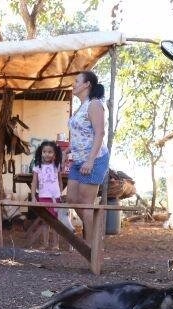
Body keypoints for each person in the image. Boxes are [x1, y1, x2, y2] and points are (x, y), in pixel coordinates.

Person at [66, 71, 109, 240]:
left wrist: (90, 161)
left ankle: (91, 245)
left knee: (85, 203)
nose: (73, 84)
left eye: (77, 81)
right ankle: (94, 233)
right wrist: (67, 150)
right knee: (71, 199)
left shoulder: (95, 104)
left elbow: (99, 133)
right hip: (78, 160)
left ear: (87, 84)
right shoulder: (80, 107)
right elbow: (82, 134)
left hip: (94, 159)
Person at [31, 140, 63, 249]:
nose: (47, 154)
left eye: (50, 152)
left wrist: (60, 194)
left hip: (55, 198)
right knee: (45, 221)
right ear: (41, 152)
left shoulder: (56, 166)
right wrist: (33, 197)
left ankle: (56, 245)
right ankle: (44, 244)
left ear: (54, 154)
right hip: (43, 197)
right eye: (44, 151)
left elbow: (60, 181)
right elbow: (34, 182)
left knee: (55, 222)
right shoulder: (37, 166)